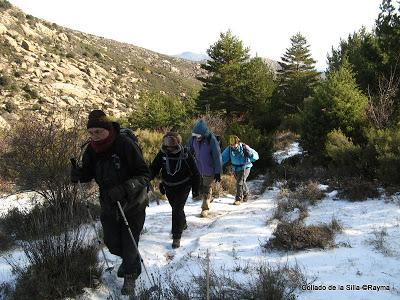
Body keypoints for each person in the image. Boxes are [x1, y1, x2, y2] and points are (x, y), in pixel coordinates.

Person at [70, 110, 151, 296]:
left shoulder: (125, 145)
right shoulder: (91, 149)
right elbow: (88, 173)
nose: (94, 136)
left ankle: (130, 277)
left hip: (134, 202)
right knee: (112, 242)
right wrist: (78, 175)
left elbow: (144, 174)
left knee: (130, 242)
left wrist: (124, 188)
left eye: (98, 131)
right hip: (108, 202)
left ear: (108, 129)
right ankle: (131, 261)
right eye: (91, 132)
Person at [150, 132, 200, 248]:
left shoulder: (186, 154)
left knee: (176, 209)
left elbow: (195, 173)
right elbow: (154, 168)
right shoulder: (162, 154)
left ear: (177, 143)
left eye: (172, 146)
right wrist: (146, 178)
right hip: (168, 186)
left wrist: (196, 190)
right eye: (167, 146)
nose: (170, 148)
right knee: (176, 208)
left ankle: (176, 236)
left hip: (184, 186)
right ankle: (183, 223)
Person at [188, 119, 222, 218]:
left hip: (209, 169)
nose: (197, 137)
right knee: (201, 188)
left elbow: (217, 156)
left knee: (206, 188)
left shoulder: (211, 140)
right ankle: (208, 198)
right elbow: (189, 152)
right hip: (198, 169)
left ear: (203, 134)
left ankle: (205, 209)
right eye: (195, 135)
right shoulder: (192, 140)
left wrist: (218, 172)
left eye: (199, 135)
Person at [221, 135, 259, 205]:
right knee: (241, 182)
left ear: (238, 142)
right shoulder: (229, 148)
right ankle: (246, 193)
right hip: (236, 168)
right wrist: (217, 163)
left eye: (234, 145)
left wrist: (250, 154)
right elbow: (223, 157)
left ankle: (238, 199)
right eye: (231, 145)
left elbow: (255, 155)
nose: (233, 146)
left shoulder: (244, 147)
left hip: (245, 167)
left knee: (239, 182)